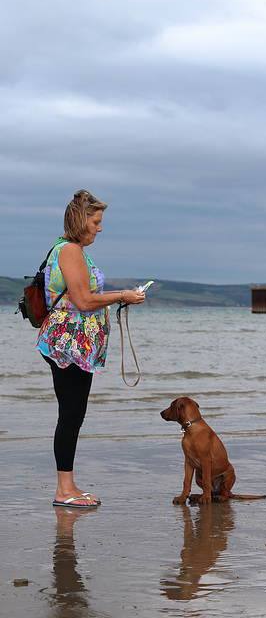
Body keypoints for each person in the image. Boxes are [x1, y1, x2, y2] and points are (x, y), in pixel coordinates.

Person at [36, 190, 146, 508]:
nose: (99, 228)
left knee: (73, 415)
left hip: (75, 346)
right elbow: (83, 300)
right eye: (96, 222)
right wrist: (122, 294)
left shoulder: (75, 249)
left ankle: (68, 486)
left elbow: (82, 295)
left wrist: (119, 297)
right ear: (81, 221)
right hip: (65, 345)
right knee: (70, 416)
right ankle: (64, 490)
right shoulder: (70, 250)